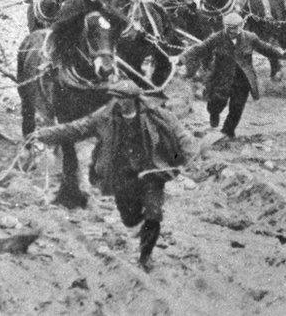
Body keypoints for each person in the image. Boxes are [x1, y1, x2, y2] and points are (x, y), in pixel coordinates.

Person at [31, 80, 197, 269]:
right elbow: (77, 128)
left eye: (124, 99)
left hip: (151, 172)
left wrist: (193, 157)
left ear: (134, 99)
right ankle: (139, 225)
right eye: (117, 98)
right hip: (121, 176)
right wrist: (45, 134)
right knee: (129, 219)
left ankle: (145, 256)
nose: (119, 102)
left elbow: (181, 134)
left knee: (154, 213)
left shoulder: (155, 114)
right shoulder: (105, 116)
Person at [180, 12, 286, 138]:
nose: (234, 32)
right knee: (215, 103)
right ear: (225, 27)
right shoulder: (217, 37)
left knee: (237, 107)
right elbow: (200, 48)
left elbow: (266, 49)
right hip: (221, 77)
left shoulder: (250, 37)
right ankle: (214, 116)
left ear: (242, 26)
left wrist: (282, 54)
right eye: (230, 29)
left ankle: (227, 131)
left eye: (237, 28)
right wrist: (182, 58)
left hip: (242, 79)